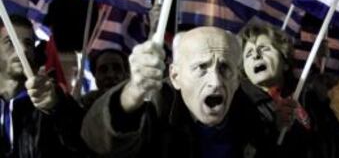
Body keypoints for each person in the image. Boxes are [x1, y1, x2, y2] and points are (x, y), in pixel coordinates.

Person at [81, 26, 279, 157]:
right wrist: (134, 91)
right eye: (201, 67)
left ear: (237, 79)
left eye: (225, 68)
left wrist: (285, 125)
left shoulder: (257, 111)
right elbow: (98, 139)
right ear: (175, 76)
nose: (215, 81)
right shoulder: (157, 106)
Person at [239, 12, 339, 158]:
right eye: (248, 54)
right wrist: (274, 131)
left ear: (285, 62)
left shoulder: (308, 94)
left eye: (264, 49)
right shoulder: (241, 107)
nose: (256, 55)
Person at [0, 14, 86, 158]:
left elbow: (86, 142)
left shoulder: (50, 99)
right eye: (10, 42)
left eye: (28, 43)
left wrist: (57, 107)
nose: (23, 49)